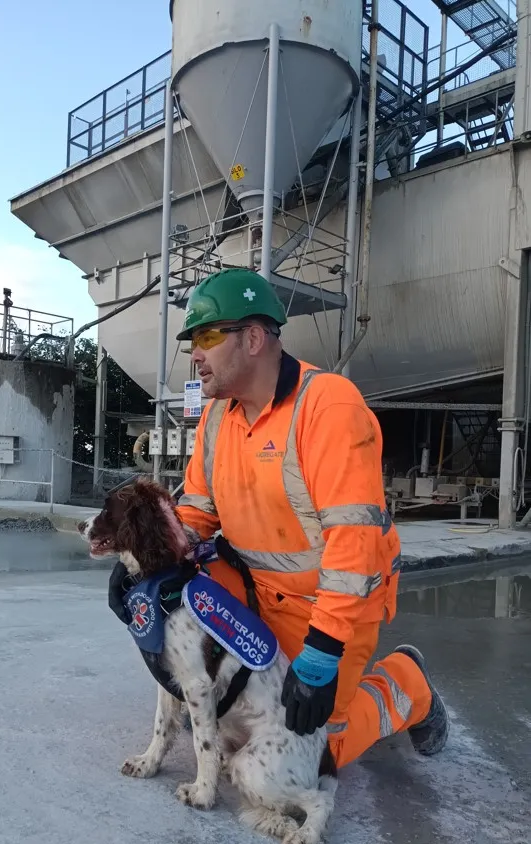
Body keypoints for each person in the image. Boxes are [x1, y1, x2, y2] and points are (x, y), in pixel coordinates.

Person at [112, 268, 449, 769]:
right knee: (222, 717)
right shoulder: (218, 417)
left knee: (312, 754)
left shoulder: (328, 407)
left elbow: (352, 543)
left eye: (206, 336)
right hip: (254, 589)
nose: (195, 354)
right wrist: (145, 562)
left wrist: (322, 651)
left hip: (328, 603)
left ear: (252, 338)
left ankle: (408, 684)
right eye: (192, 342)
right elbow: (197, 514)